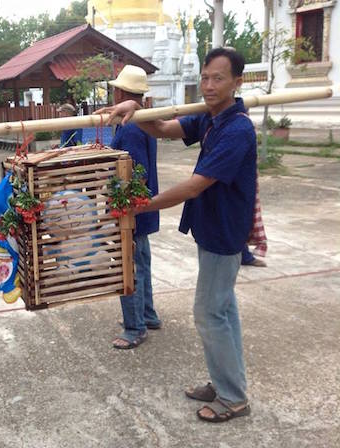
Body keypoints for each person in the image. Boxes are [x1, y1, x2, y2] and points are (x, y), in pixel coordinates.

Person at [98, 47, 255, 422]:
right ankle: (225, 382)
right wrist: (136, 113)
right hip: (212, 227)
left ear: (237, 81)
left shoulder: (237, 129)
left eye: (218, 78)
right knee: (224, 310)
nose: (209, 85)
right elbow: (167, 129)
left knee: (209, 313)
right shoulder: (212, 118)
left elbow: (193, 186)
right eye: (205, 77)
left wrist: (140, 206)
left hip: (224, 231)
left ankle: (233, 397)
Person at [107, 65, 162, 349]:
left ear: (120, 92)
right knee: (142, 264)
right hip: (143, 208)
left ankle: (135, 327)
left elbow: (134, 174)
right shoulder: (144, 119)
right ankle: (148, 315)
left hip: (133, 211)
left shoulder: (130, 127)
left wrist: (120, 205)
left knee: (129, 268)